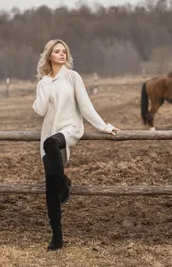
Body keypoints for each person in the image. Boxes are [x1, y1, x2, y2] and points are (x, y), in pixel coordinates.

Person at [32, 39, 120, 251]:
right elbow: (40, 110)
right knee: (50, 187)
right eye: (57, 51)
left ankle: (62, 180)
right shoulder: (43, 82)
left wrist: (104, 126)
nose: (62, 54)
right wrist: (44, 85)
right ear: (49, 56)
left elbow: (86, 106)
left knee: (53, 144)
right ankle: (57, 236)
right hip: (49, 131)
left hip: (70, 128)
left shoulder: (73, 77)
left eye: (64, 52)